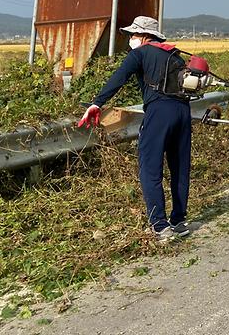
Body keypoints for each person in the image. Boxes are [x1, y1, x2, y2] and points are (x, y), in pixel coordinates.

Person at [77, 16, 192, 242]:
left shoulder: (139, 54)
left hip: (159, 112)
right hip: (182, 112)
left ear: (144, 36)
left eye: (133, 35)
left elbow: (119, 78)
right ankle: (179, 221)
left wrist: (96, 103)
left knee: (150, 168)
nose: (130, 39)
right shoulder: (175, 55)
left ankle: (160, 226)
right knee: (179, 167)